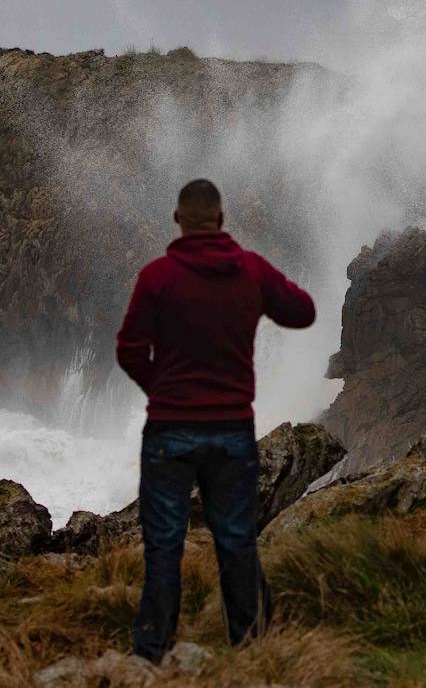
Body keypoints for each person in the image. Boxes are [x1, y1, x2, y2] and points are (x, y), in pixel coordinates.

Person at [116, 179, 316, 661]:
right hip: (231, 430)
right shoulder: (250, 271)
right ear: (222, 220)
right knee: (235, 539)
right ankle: (251, 648)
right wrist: (260, 296)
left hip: (169, 431)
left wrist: (161, 390)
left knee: (164, 544)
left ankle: (150, 653)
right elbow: (303, 312)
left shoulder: (157, 277)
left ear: (178, 221)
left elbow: (128, 350)